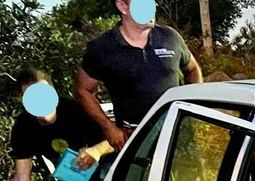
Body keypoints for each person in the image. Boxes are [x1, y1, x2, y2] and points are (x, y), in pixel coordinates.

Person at [75, 0, 204, 151]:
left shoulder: (170, 37)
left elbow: (192, 69)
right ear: (122, 6)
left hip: (180, 135)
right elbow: (83, 90)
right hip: (136, 140)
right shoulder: (102, 48)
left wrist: (192, 106)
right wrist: (108, 128)